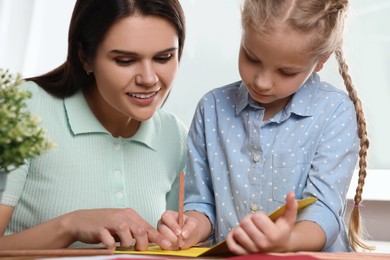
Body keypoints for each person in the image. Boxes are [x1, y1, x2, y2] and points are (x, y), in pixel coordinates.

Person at [157, 0, 372, 254]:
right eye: (251, 57)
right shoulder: (212, 108)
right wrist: (190, 226)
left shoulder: (334, 113)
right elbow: (202, 203)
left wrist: (288, 240)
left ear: (321, 60)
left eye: (286, 72)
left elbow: (323, 211)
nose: (262, 81)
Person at [0, 0, 187, 250]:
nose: (149, 79)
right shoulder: (22, 109)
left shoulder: (175, 136)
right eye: (124, 60)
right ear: (85, 57)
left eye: (164, 57)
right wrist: (70, 225)